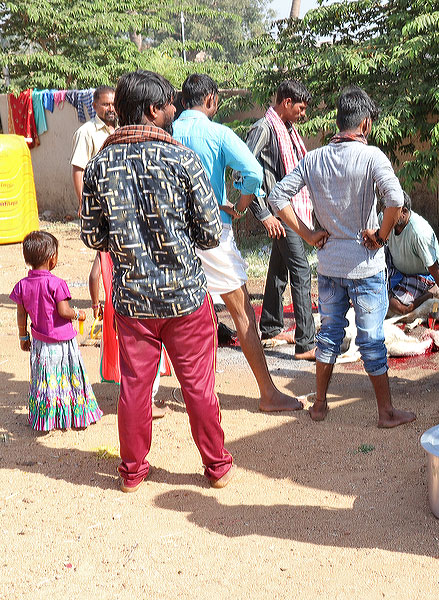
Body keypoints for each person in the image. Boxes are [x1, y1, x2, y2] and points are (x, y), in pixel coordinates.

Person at [81, 70, 234, 493]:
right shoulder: (183, 160)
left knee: (135, 388)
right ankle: (217, 467)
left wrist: (127, 240)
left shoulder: (99, 165)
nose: (174, 110)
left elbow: (93, 236)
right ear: (153, 110)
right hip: (185, 298)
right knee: (198, 387)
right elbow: (210, 233)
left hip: (133, 300)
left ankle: (132, 472)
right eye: (169, 104)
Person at [266, 86, 416, 429]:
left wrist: (308, 234)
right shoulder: (372, 157)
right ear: (365, 124)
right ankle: (386, 412)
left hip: (329, 264)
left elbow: (277, 197)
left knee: (329, 334)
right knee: (371, 338)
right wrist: (380, 236)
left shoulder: (314, 158)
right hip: (365, 266)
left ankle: (319, 404)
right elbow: (395, 200)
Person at [172, 74, 302, 413]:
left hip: (172, 234)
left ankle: (182, 391)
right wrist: (241, 205)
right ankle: (268, 394)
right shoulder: (217, 133)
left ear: (183, 101)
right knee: (242, 311)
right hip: (212, 230)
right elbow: (253, 172)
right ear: (211, 100)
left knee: (178, 315)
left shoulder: (167, 130)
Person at [245, 80, 317, 360]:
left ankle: (271, 327)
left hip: (290, 208)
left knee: (279, 269)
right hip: (279, 211)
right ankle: (306, 344)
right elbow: (245, 171)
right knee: (301, 270)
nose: (303, 114)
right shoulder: (263, 129)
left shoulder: (287, 129)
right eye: (300, 108)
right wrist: (263, 214)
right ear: (286, 103)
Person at [11, 231, 103, 432]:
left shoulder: (22, 286)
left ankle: (46, 418)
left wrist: (23, 336)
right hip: (62, 344)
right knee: (67, 378)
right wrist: (79, 314)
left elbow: (21, 314)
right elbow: (64, 311)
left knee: (46, 381)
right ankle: (74, 415)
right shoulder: (57, 284)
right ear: (52, 258)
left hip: (40, 345)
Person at [71, 86, 116, 322]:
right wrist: (82, 203)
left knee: (108, 254)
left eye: (113, 104)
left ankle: (105, 303)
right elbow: (78, 169)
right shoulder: (86, 132)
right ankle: (97, 305)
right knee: (102, 255)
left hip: (117, 203)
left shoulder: (119, 129)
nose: (110, 108)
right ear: (95, 105)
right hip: (98, 205)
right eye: (106, 104)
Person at [383, 195, 439, 317]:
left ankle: (432, 292)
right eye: (385, 211)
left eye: (389, 213)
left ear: (403, 212)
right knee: (372, 290)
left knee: (399, 307)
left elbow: (435, 269)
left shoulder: (419, 233)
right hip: (396, 266)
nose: (385, 216)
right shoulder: (385, 219)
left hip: (422, 273)